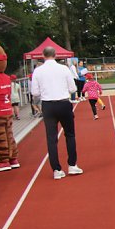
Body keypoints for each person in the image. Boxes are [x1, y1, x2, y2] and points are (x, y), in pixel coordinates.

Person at [30, 46, 83, 179]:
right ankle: (72, 165)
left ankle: (56, 170)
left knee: (51, 138)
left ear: (43, 55)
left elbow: (35, 92)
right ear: (56, 55)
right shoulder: (64, 68)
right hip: (64, 103)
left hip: (48, 105)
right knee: (70, 134)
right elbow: (72, 88)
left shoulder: (38, 70)